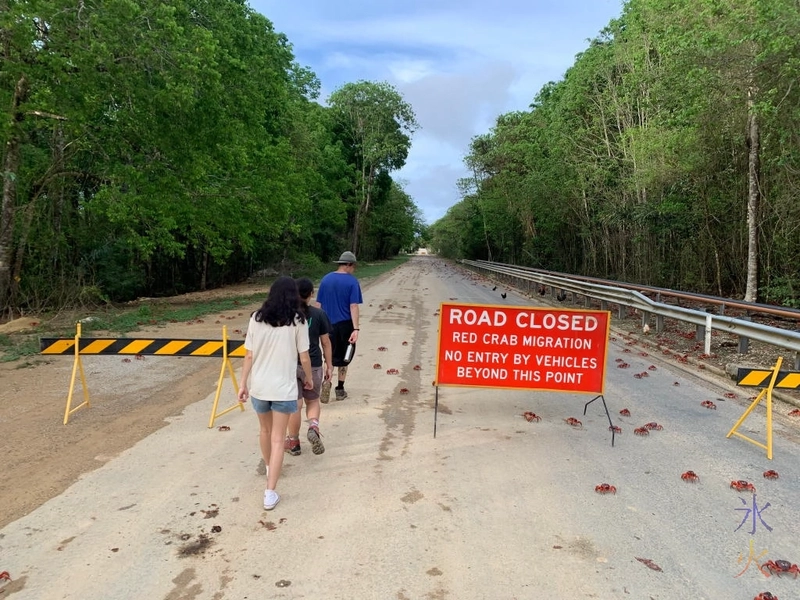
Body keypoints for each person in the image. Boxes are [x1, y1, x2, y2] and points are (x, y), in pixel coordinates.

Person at [238, 276, 313, 511]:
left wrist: (243, 384)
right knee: (279, 438)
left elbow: (248, 355)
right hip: (284, 389)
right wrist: (309, 378)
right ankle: (270, 492)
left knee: (264, 430)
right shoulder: (298, 321)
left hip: (260, 386)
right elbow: (304, 356)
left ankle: (271, 467)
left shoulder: (256, 318)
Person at [284, 277, 333, 456]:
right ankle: (313, 426)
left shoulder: (286, 316)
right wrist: (329, 365)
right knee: (312, 400)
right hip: (313, 365)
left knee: (295, 406)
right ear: (311, 294)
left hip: (291, 365)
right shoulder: (319, 314)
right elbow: (326, 342)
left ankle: (294, 442)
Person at [315, 251, 363, 402]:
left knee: (328, 355)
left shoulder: (326, 279)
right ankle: (340, 389)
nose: (354, 269)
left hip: (326, 324)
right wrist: (355, 328)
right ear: (348, 265)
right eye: (353, 266)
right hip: (345, 325)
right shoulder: (352, 282)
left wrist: (317, 324)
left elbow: (318, 304)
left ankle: (326, 381)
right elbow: (353, 306)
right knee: (345, 357)